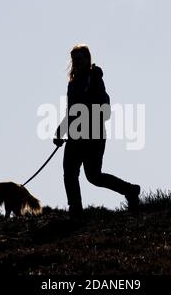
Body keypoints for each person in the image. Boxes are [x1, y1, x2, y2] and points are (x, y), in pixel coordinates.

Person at [53, 44, 140, 219]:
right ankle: (76, 211)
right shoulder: (73, 83)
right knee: (70, 173)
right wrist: (61, 131)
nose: (76, 62)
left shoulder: (95, 79)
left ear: (87, 59)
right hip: (75, 136)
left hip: (93, 135)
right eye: (74, 59)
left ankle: (130, 190)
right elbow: (71, 111)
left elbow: (105, 109)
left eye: (79, 59)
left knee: (93, 176)